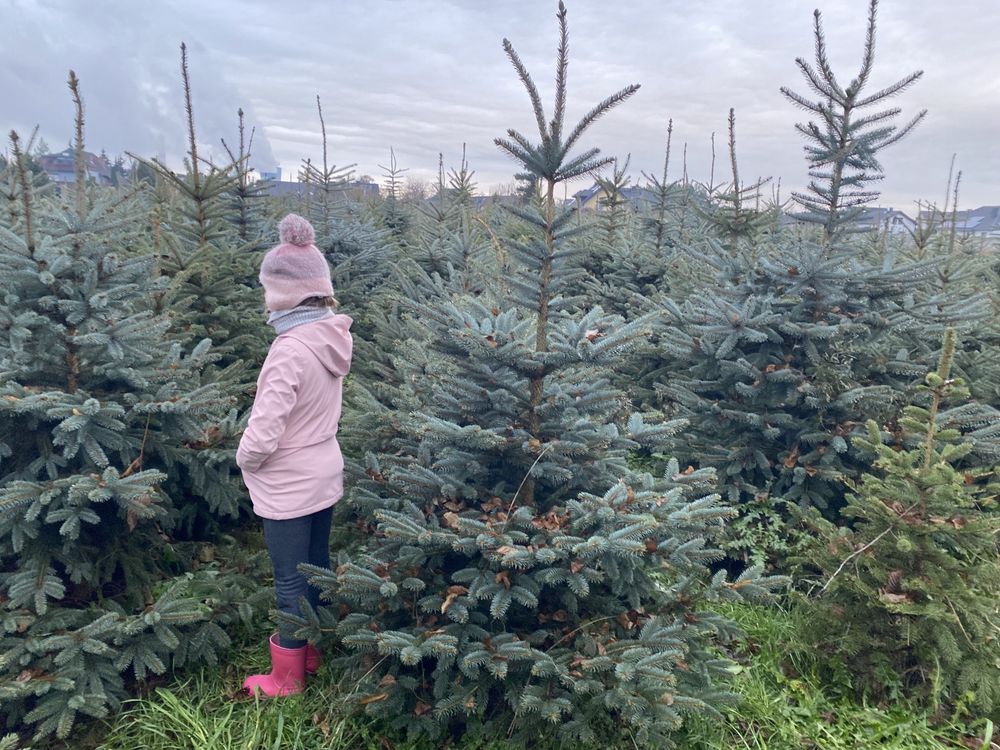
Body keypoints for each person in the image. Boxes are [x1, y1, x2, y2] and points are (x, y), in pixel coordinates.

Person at [236, 214, 352, 698]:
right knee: (318, 566)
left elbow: (264, 431)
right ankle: (316, 652)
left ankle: (287, 680)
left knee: (289, 579)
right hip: (325, 468)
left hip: (289, 480)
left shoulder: (288, 349)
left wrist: (245, 459)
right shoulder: (331, 335)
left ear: (283, 292)